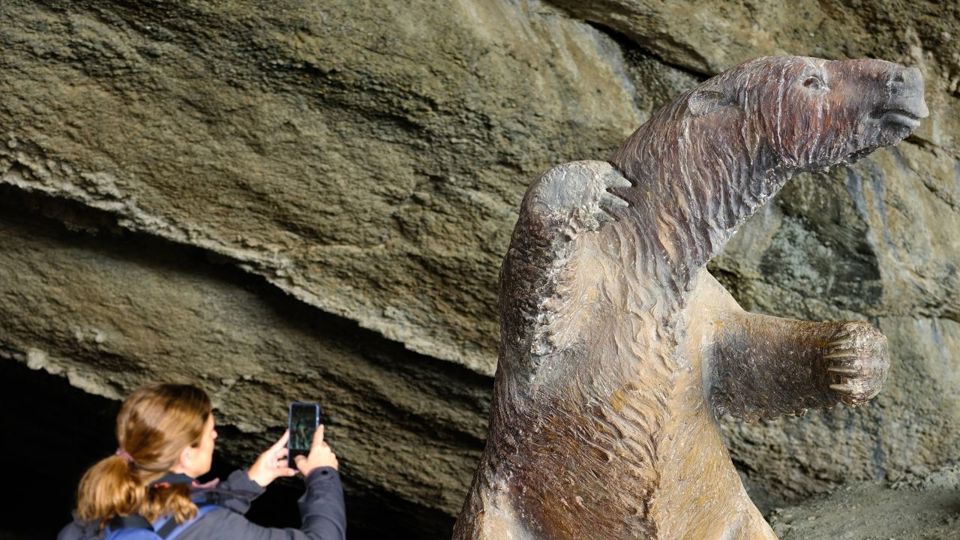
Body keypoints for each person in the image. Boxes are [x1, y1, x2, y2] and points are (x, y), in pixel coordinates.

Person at [58, 383, 345, 539]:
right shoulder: (214, 528)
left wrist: (251, 482)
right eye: (210, 432)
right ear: (186, 454)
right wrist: (323, 475)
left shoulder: (99, 510)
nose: (216, 435)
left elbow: (176, 523)